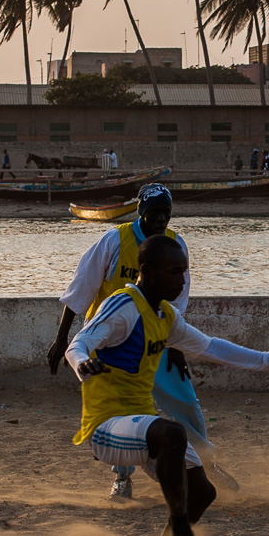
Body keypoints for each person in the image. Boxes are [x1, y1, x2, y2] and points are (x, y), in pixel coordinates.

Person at [67, 236, 269, 536]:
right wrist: (82, 364)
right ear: (147, 271)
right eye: (175, 271)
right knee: (173, 433)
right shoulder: (123, 306)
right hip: (105, 429)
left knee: (202, 493)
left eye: (184, 271)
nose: (182, 280)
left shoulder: (167, 317)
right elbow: (78, 343)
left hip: (142, 426)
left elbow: (211, 347)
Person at [49, 185, 197, 500]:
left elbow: (178, 303)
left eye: (165, 213)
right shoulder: (114, 241)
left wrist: (177, 346)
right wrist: (63, 338)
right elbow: (82, 288)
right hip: (115, 343)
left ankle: (202, 464)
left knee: (186, 404)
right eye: (153, 212)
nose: (160, 219)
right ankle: (122, 478)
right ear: (141, 212)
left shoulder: (175, 245)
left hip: (157, 339)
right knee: (122, 413)